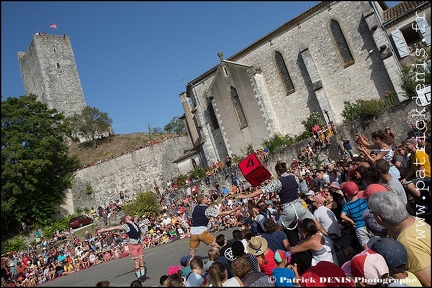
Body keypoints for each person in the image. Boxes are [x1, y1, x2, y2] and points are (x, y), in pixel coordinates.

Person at [237, 161, 328, 236]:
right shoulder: (294, 177)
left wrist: (246, 196)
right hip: (298, 205)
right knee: (315, 222)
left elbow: (262, 190)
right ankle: (329, 238)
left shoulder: (278, 182)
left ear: (278, 172)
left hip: (288, 209)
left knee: (276, 231)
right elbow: (303, 190)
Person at [368, 191, 430, 287]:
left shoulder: (408, 244)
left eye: (372, 212)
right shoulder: (409, 220)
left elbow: (428, 281)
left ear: (379, 218)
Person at [97, 215, 147, 282]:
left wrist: (136, 216)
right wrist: (105, 229)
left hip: (139, 243)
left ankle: (143, 275)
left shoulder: (134, 222)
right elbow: (116, 227)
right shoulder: (126, 225)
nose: (127, 218)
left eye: (128, 217)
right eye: (126, 217)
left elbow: (136, 217)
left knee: (141, 259)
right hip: (132, 244)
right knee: (137, 260)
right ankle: (139, 277)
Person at [340, 181, 371, 250]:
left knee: (365, 244)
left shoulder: (347, 205)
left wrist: (350, 220)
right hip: (368, 223)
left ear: (346, 194)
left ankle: (370, 255)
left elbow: (342, 216)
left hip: (359, 227)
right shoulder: (364, 200)